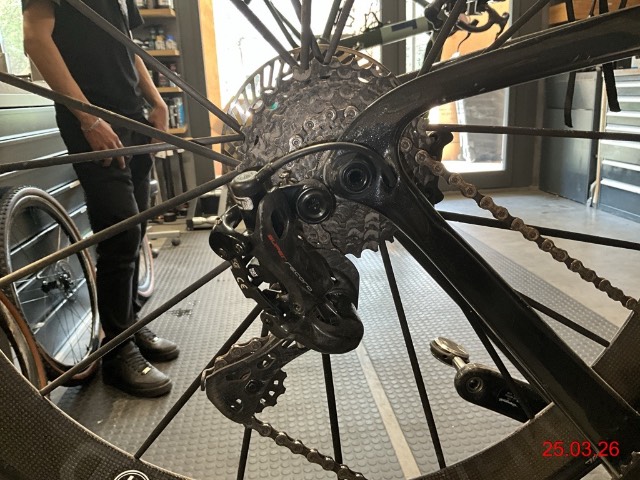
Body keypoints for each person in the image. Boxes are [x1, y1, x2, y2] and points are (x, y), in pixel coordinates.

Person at [22, 0, 179, 397]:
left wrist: (157, 101)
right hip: (92, 121)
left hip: (133, 117)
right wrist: (88, 117)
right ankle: (117, 354)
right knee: (119, 233)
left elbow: (126, 45)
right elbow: (35, 39)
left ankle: (130, 327)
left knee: (137, 227)